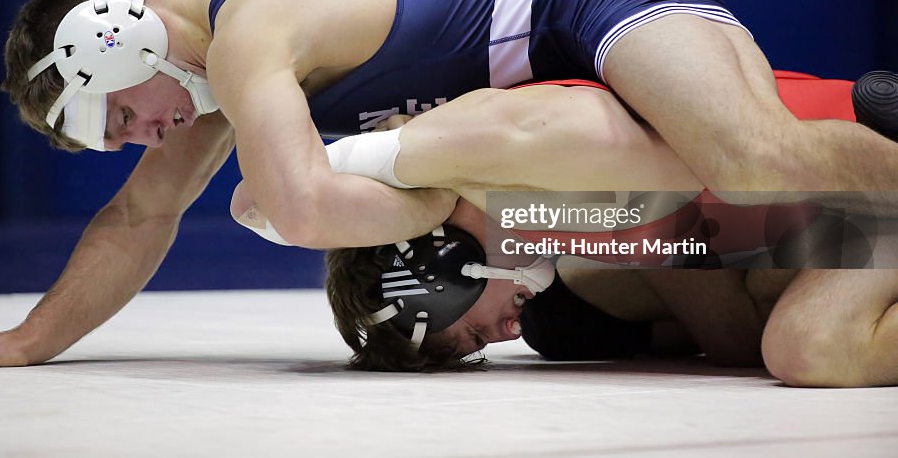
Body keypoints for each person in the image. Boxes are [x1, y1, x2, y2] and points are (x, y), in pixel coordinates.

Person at [0, 0, 898, 370]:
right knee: (689, 247)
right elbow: (138, 220)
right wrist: (25, 339)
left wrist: (454, 211)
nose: (136, 143)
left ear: (115, 42)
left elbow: (310, 210)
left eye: (118, 120)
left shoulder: (248, 36)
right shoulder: (213, 82)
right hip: (569, 76)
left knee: (757, 158)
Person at [308, 75, 898, 385]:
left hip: (873, 165)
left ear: (441, 276)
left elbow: (732, 334)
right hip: (843, 196)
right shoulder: (539, 217)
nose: (510, 331)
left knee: (809, 347)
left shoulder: (545, 187)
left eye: (479, 333)